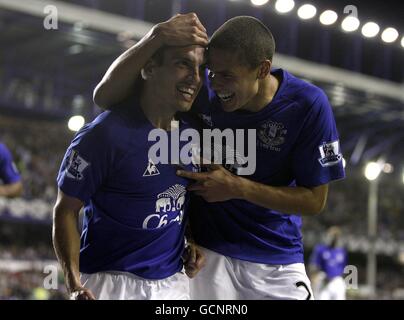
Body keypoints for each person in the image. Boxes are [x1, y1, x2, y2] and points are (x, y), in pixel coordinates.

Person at [93, 14, 345, 300]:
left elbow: (315, 201)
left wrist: (237, 187)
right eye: (212, 71)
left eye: (227, 76)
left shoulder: (307, 105)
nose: (216, 84)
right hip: (207, 257)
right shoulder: (199, 91)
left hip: (277, 258)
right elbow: (105, 97)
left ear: (262, 69)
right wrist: (156, 36)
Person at [52, 17, 208, 300]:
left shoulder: (191, 134)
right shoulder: (104, 135)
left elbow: (182, 203)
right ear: (149, 68)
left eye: (199, 68)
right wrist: (74, 283)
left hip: (173, 284)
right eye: (182, 64)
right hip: (109, 284)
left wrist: (191, 241)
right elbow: (65, 211)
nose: (195, 78)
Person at [309, 226, 348, 300]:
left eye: (335, 236)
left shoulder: (342, 251)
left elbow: (344, 268)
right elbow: (313, 265)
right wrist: (314, 278)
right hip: (324, 280)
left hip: (337, 281)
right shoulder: (320, 249)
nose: (333, 238)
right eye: (332, 236)